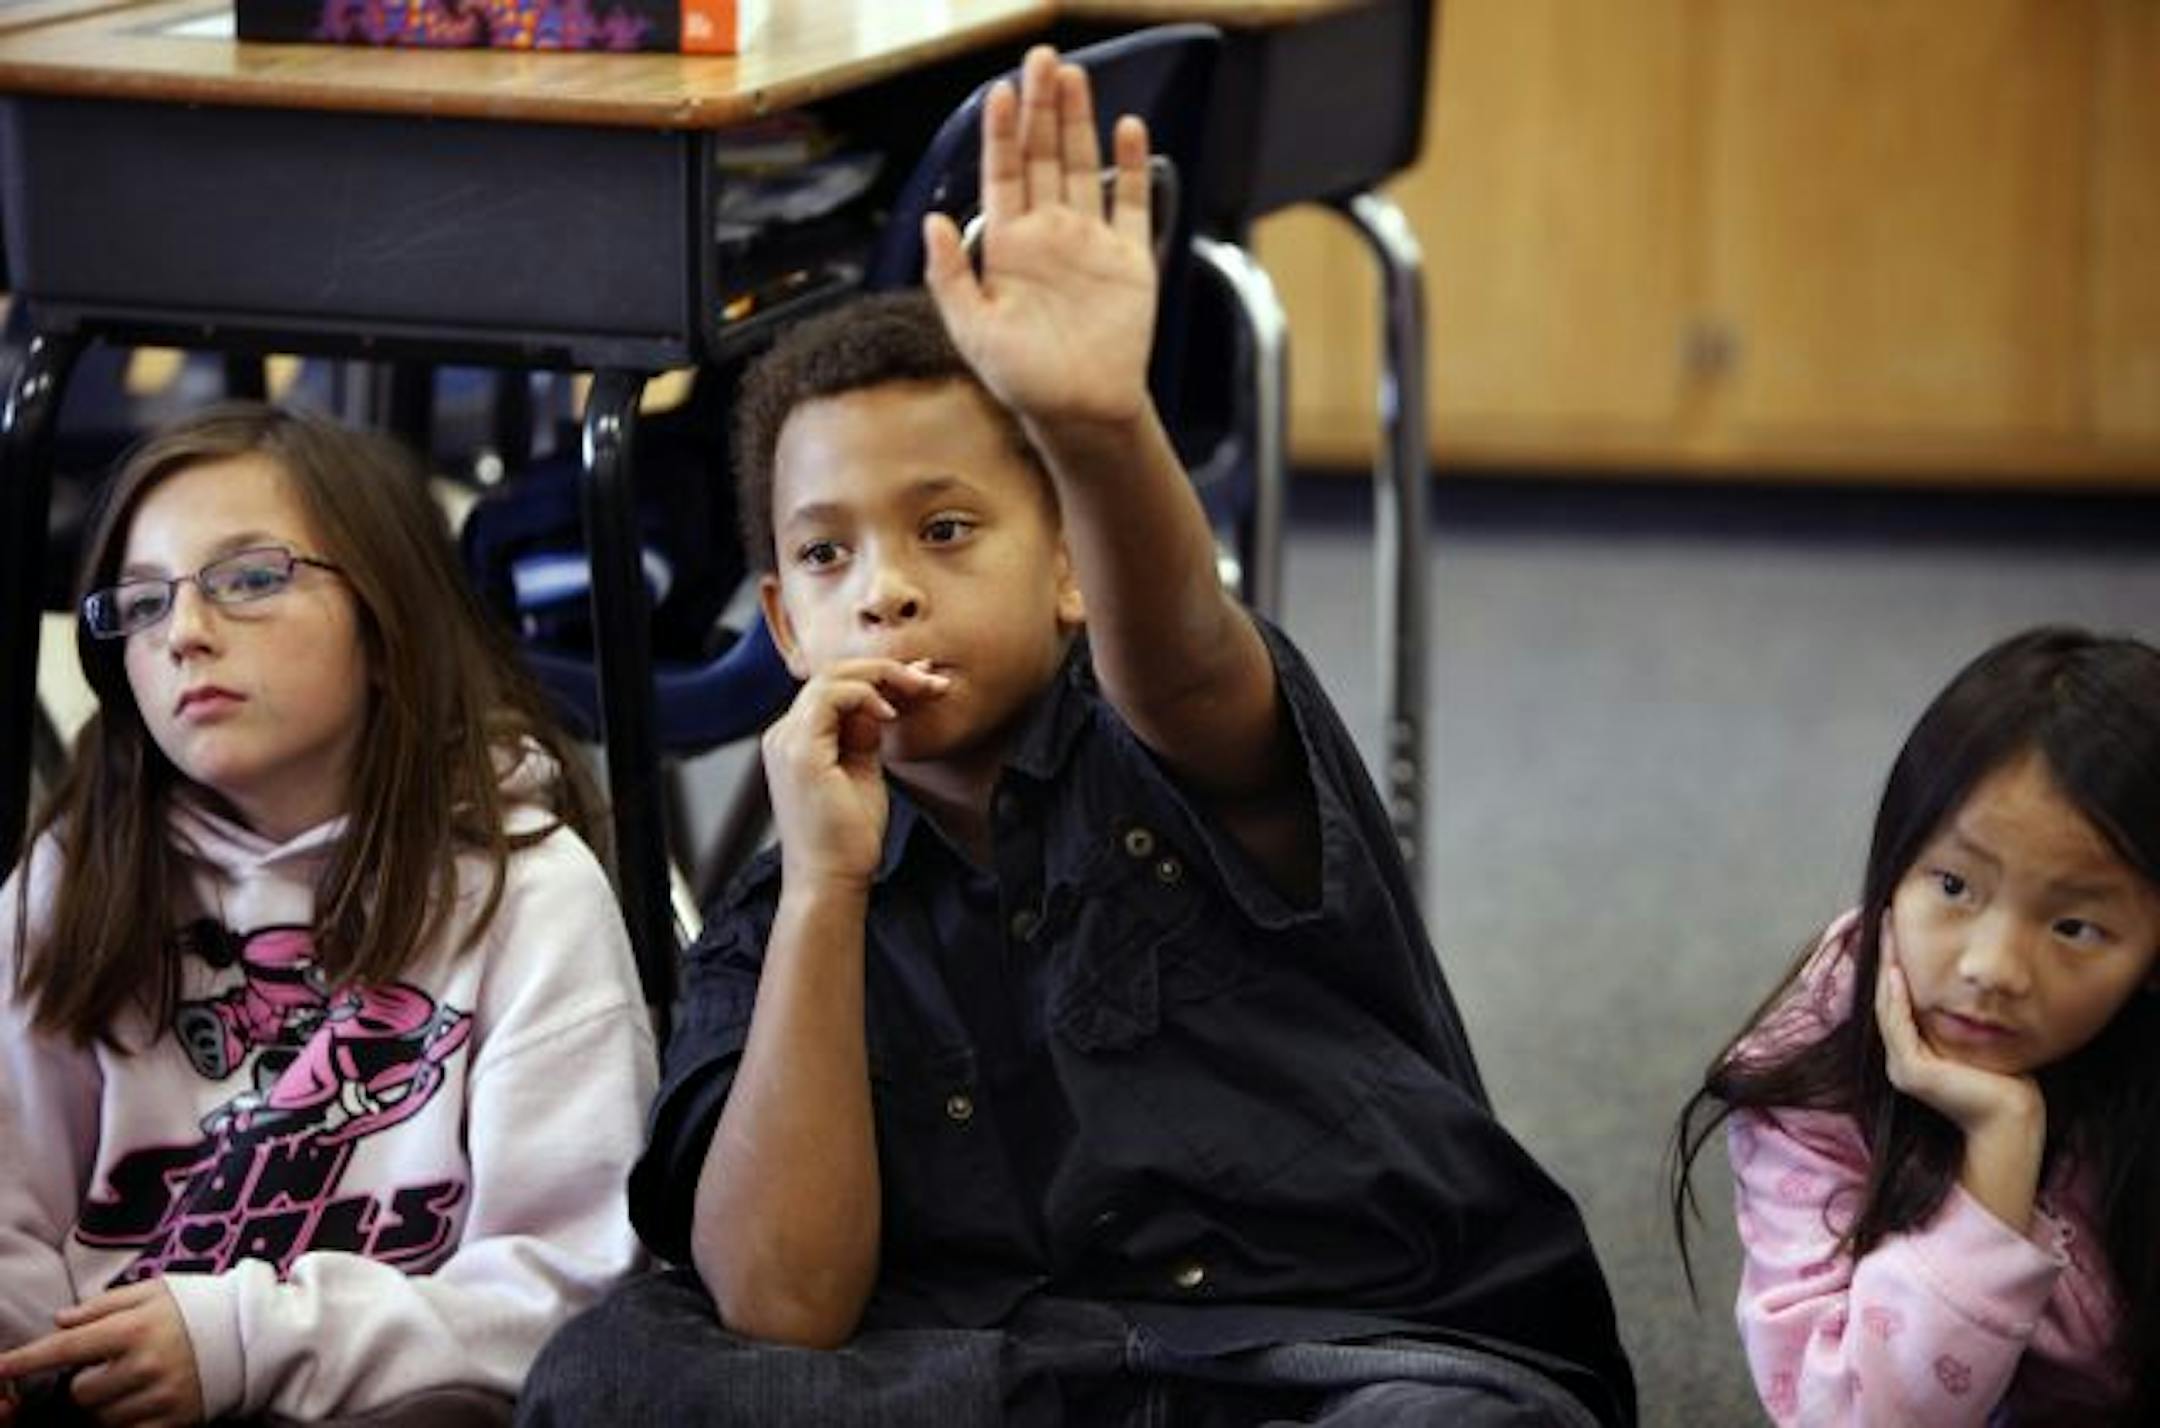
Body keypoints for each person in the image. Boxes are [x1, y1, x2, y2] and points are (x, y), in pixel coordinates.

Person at [519, 44, 1633, 1428]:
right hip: (1003, 1375)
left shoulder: (1165, 739)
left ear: (1066, 572)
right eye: (826, 556)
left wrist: (1096, 427)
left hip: (1327, 1353)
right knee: (609, 1384)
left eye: (945, 528)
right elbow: (787, 1305)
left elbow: (1183, 665)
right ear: (785, 627)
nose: (887, 585)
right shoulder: (777, 906)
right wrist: (824, 894)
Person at [0, 403, 656, 1427]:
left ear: (387, 625)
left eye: (250, 579)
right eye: (140, 604)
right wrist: (45, 1363)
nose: (185, 633)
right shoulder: (74, 876)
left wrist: (246, 1343)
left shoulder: (531, 890)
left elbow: (574, 1293)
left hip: (387, 1400)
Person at [1669, 626, 2160, 1426]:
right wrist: (2000, 1155)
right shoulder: (1816, 1079)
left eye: (2073, 927)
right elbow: (1853, 1416)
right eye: (1955, 884)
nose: (1991, 966)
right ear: (1894, 866)